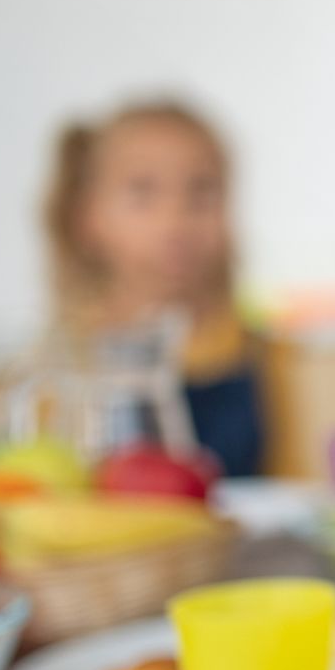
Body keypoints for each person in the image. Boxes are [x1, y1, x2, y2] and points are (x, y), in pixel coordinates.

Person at [40, 99, 266, 476]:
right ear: (87, 217)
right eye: (142, 193)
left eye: (201, 191)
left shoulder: (253, 349)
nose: (176, 220)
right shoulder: (64, 363)